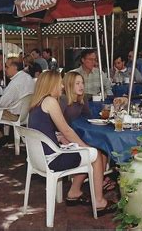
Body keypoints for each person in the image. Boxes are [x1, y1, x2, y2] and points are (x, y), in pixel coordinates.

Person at [28, 70, 113, 216]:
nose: (62, 86)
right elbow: (66, 131)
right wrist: (85, 147)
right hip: (53, 158)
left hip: (40, 157)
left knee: (84, 152)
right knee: (96, 154)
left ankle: (74, 192)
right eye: (59, 83)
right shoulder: (50, 101)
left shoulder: (36, 103)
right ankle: (99, 202)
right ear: (51, 84)